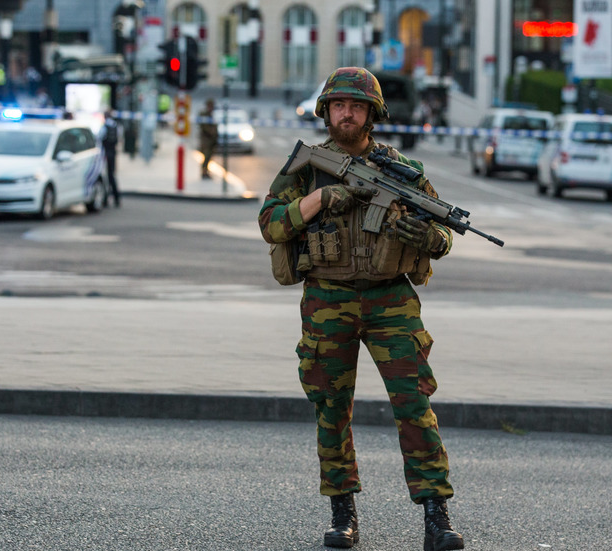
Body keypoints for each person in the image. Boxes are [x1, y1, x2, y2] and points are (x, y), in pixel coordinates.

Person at [258, 67, 464, 551]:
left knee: (414, 404)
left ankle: (436, 513)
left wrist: (426, 236)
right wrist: (319, 198)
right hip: (328, 298)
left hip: (391, 298)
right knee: (331, 407)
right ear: (326, 111)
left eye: (356, 106)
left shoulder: (401, 170)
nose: (346, 113)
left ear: (372, 113)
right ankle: (342, 511)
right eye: (338, 105)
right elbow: (270, 224)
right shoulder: (305, 169)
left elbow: (443, 236)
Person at [97, 110, 121, 208]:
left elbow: (99, 139)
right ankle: (115, 198)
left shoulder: (104, 127)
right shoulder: (116, 126)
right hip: (113, 153)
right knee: (111, 175)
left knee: (106, 176)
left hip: (105, 154)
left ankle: (106, 198)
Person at [197, 98, 218, 179]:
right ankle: (204, 171)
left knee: (209, 156)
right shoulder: (204, 114)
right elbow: (204, 127)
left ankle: (206, 171)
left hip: (212, 140)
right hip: (206, 139)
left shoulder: (211, 114)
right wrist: (212, 132)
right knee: (206, 156)